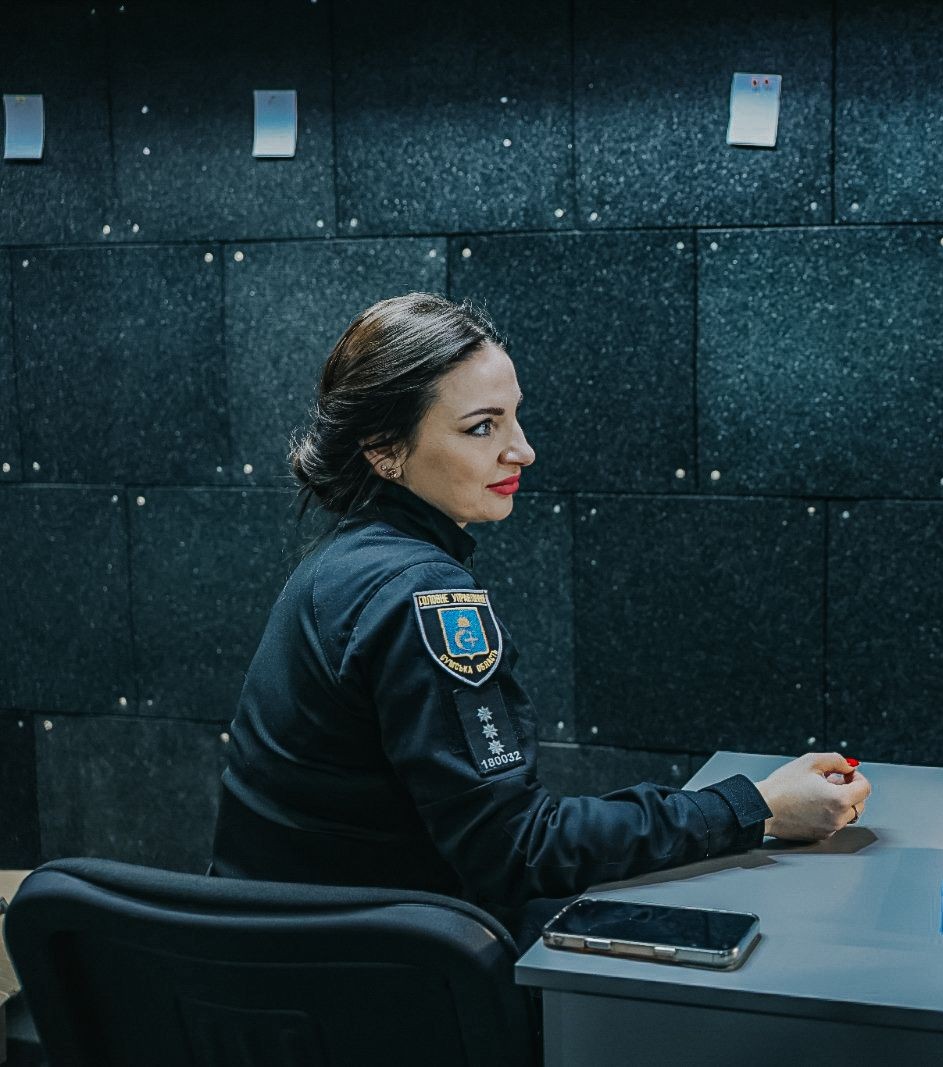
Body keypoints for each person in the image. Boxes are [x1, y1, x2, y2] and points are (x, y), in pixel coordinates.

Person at [211, 293, 870, 944]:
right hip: (373, 973)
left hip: (286, 956)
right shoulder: (421, 592)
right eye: (482, 427)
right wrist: (758, 807)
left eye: (514, 418)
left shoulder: (343, 560)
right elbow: (520, 848)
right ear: (385, 449)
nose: (521, 450)